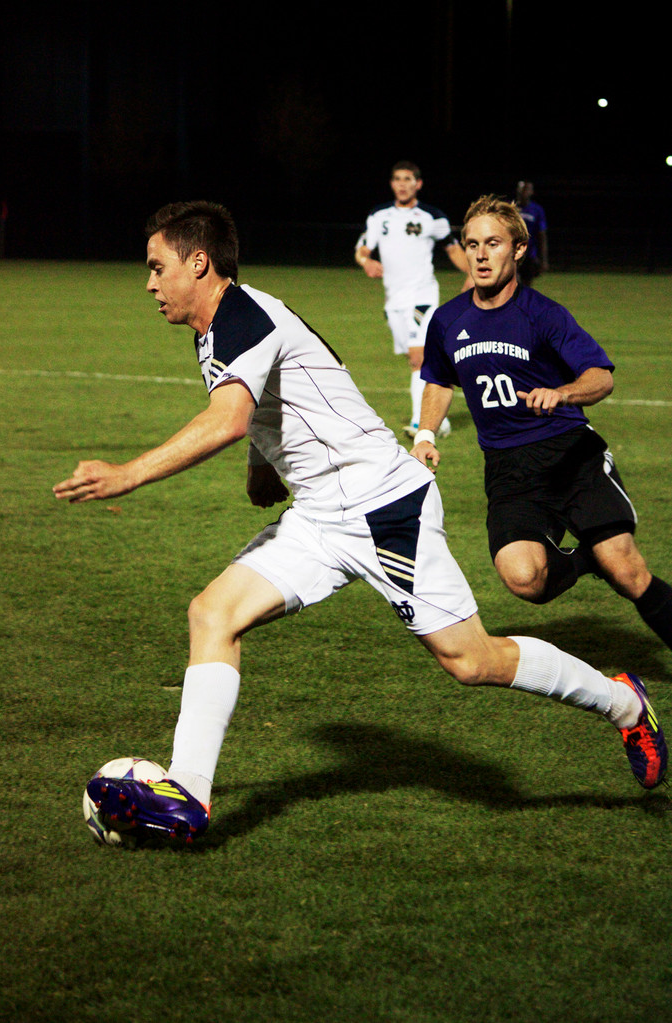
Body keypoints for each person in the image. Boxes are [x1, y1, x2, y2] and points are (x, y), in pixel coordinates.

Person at [53, 200, 666, 848]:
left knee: (470, 660)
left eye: (157, 267)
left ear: (198, 262)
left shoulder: (243, 314)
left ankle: (623, 702)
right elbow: (295, 381)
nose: (150, 283)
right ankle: (188, 793)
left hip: (385, 507)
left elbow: (228, 418)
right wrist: (263, 466)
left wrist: (128, 473)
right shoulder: (217, 326)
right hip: (320, 515)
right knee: (212, 613)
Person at [412, 194, 672, 658]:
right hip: (508, 468)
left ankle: (609, 561)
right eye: (472, 244)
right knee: (524, 579)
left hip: (570, 454)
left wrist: (564, 393)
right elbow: (438, 379)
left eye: (493, 243)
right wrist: (426, 434)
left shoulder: (543, 313)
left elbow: (601, 376)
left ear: (518, 249)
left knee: (628, 571)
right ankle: (589, 558)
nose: (480, 255)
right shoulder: (448, 320)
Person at [355, 161, 472, 438]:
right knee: (415, 360)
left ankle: (422, 423)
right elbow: (363, 249)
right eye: (397, 179)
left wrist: (472, 274)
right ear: (392, 183)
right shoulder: (379, 215)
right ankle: (440, 421)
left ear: (418, 184)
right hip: (393, 301)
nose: (402, 184)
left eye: (408, 179)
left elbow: (453, 249)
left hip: (422, 296)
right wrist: (366, 262)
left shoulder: (432, 217)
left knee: (420, 357)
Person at [515, 180, 549, 285]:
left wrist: (543, 259)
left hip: (529, 254)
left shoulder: (536, 210)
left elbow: (541, 235)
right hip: (512, 253)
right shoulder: (511, 208)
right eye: (522, 189)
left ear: (531, 192)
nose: (524, 192)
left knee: (526, 285)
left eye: (527, 189)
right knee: (513, 283)